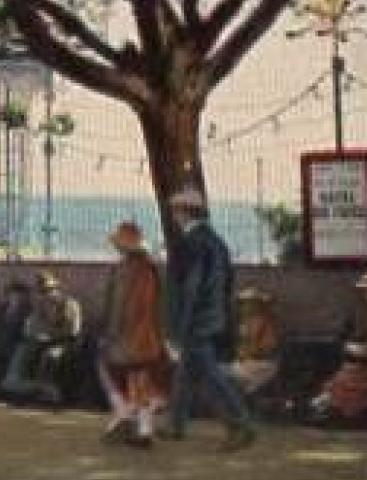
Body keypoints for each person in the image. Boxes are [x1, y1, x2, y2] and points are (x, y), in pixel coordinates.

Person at [162, 187, 256, 449]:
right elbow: (227, 281)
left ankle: (240, 424)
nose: (174, 217)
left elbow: (190, 289)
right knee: (185, 372)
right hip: (213, 316)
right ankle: (175, 424)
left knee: (210, 374)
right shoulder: (217, 242)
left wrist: (180, 326)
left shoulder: (190, 243)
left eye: (175, 212)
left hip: (196, 320)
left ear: (182, 213)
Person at [96, 221, 172, 449]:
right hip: (150, 336)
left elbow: (119, 306)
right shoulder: (152, 269)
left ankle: (124, 412)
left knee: (106, 368)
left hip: (128, 336)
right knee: (142, 381)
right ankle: (144, 430)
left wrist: (110, 332)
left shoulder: (125, 270)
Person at [306, 267, 367, 425]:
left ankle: (345, 412)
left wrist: (360, 351)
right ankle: (331, 411)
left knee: (348, 382)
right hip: (355, 365)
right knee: (335, 381)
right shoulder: (362, 316)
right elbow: (350, 339)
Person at [1, 271, 81, 405]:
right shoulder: (40, 306)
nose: (46, 294)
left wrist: (50, 336)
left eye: (48, 290)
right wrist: (36, 335)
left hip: (65, 343)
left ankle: (48, 391)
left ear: (56, 289)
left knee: (50, 356)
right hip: (41, 341)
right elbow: (32, 327)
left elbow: (73, 331)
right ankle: (30, 387)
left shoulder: (70, 304)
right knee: (22, 352)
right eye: (42, 291)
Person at [227, 287, 282, 397]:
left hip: (260, 365)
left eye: (250, 303)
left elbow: (267, 348)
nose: (246, 307)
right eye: (244, 303)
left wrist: (249, 353)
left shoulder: (265, 322)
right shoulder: (244, 323)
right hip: (245, 363)